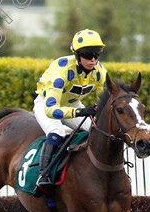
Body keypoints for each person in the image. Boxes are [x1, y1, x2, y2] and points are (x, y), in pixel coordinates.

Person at [34, 29, 107, 188]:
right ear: (77, 54)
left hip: (72, 104)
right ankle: (43, 174)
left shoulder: (99, 72)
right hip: (47, 103)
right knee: (57, 131)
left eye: (97, 53)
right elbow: (51, 110)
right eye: (88, 54)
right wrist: (81, 112)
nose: (93, 59)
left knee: (97, 131)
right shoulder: (61, 72)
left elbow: (106, 101)